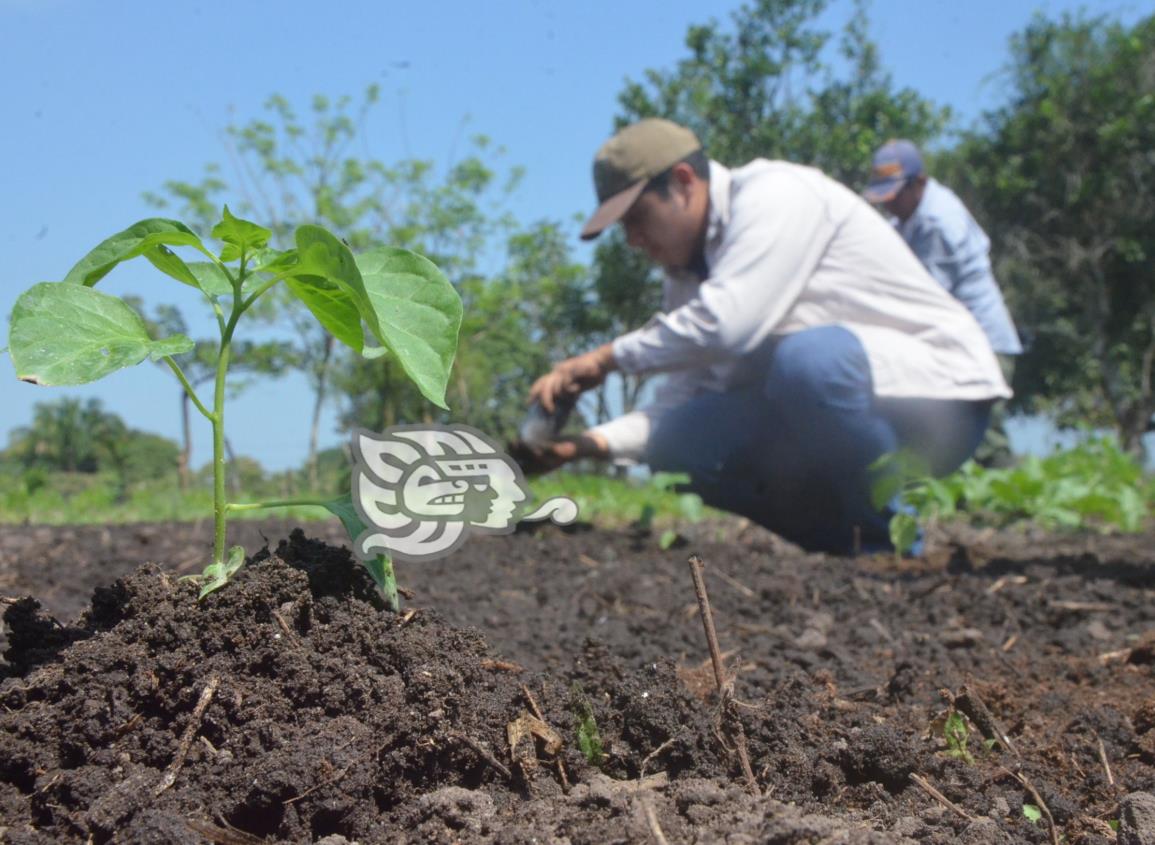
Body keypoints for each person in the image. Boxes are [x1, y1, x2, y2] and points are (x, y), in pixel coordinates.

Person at [518, 118, 1010, 554]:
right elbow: (681, 399)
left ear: (684, 183)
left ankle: (891, 541)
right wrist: (580, 446)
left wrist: (605, 359)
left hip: (940, 406)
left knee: (809, 362)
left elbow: (729, 323)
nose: (633, 241)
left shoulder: (777, 195)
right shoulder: (686, 281)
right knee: (679, 441)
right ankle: (850, 550)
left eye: (637, 219)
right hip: (836, 415)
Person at [864, 139, 1022, 465]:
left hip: (982, 342)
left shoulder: (937, 221)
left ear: (918, 182)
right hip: (958, 339)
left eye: (894, 195)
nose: (888, 204)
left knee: (986, 437)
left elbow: (925, 295)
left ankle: (1016, 502)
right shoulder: (909, 218)